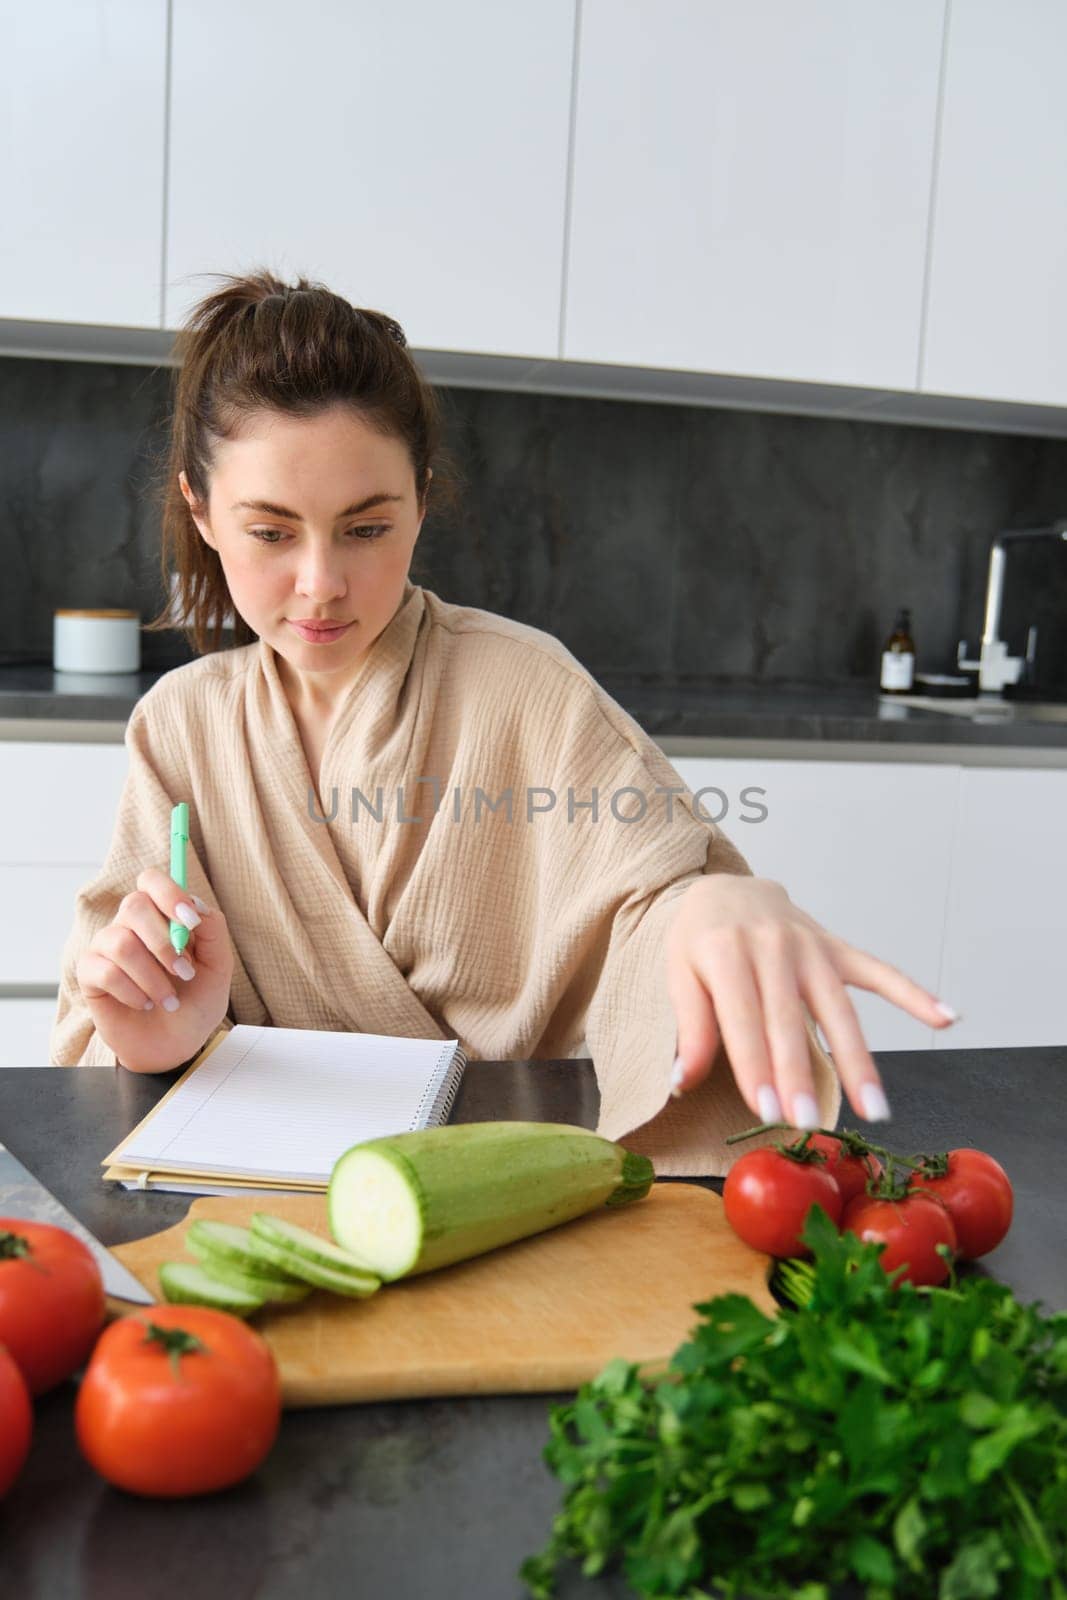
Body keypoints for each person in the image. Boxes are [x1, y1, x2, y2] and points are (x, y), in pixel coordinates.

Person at [50, 271, 958, 1175]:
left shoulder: (526, 685)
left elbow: (647, 913)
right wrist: (158, 1035)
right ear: (202, 512)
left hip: (521, 1185)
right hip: (257, 1196)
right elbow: (104, 1030)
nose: (320, 583)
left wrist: (702, 905)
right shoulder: (179, 726)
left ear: (420, 501)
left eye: (365, 529)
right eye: (271, 532)